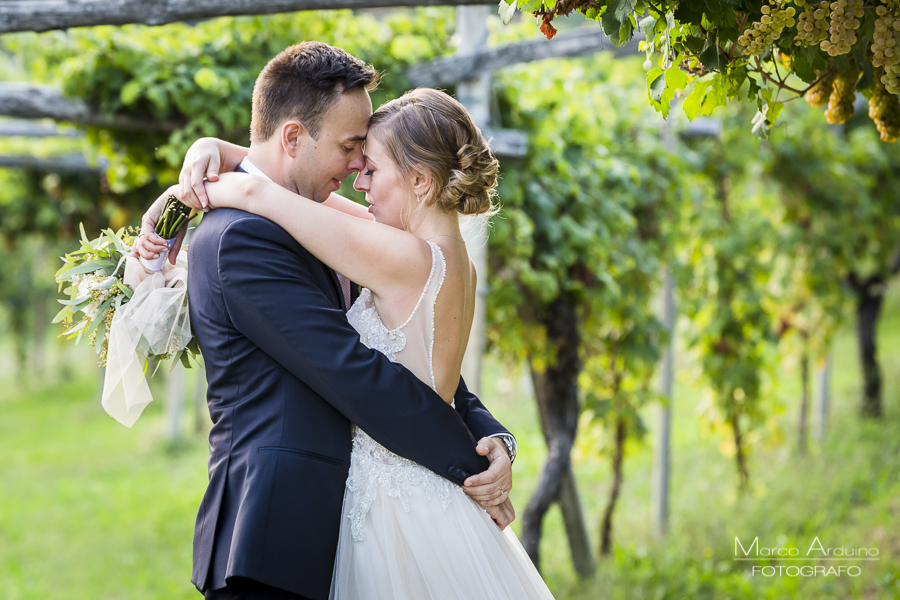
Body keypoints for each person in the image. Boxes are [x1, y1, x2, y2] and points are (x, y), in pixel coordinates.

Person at [135, 43, 519, 600]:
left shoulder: (352, 232)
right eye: (351, 148)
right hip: (274, 530)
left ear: (420, 181)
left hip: (374, 505)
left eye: (369, 158)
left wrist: (487, 440)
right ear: (294, 138)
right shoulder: (246, 238)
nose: (359, 170)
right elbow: (362, 370)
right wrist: (472, 462)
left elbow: (409, 359)